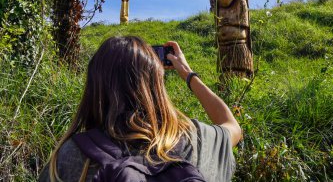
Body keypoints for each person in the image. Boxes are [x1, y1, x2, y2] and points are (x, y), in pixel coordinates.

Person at [39, 36, 241, 182]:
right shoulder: (196, 140)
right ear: (157, 87)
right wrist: (187, 73)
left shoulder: (68, 158)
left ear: (94, 88)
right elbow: (232, 126)